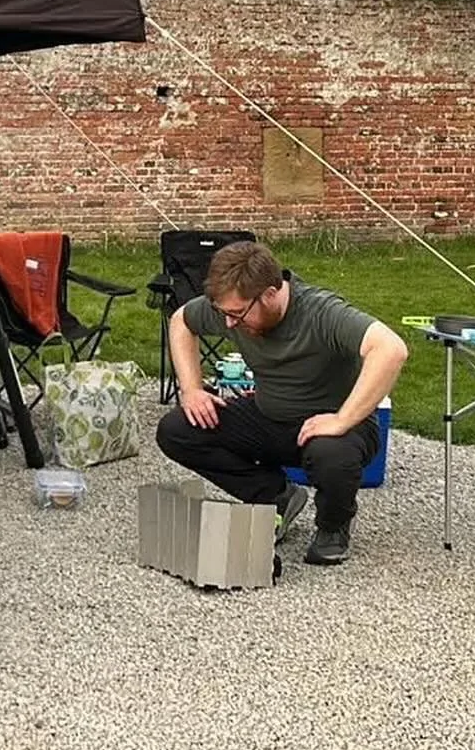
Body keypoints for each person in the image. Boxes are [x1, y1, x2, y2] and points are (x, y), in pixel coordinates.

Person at [155, 240, 407, 566]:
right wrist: (191, 390)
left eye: (237, 313)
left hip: (335, 430)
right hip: (269, 416)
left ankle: (333, 526)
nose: (229, 324)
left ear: (270, 293)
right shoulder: (235, 307)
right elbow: (181, 320)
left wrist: (342, 419)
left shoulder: (321, 312)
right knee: (177, 429)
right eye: (223, 314)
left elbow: (391, 349)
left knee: (332, 453)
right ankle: (276, 496)